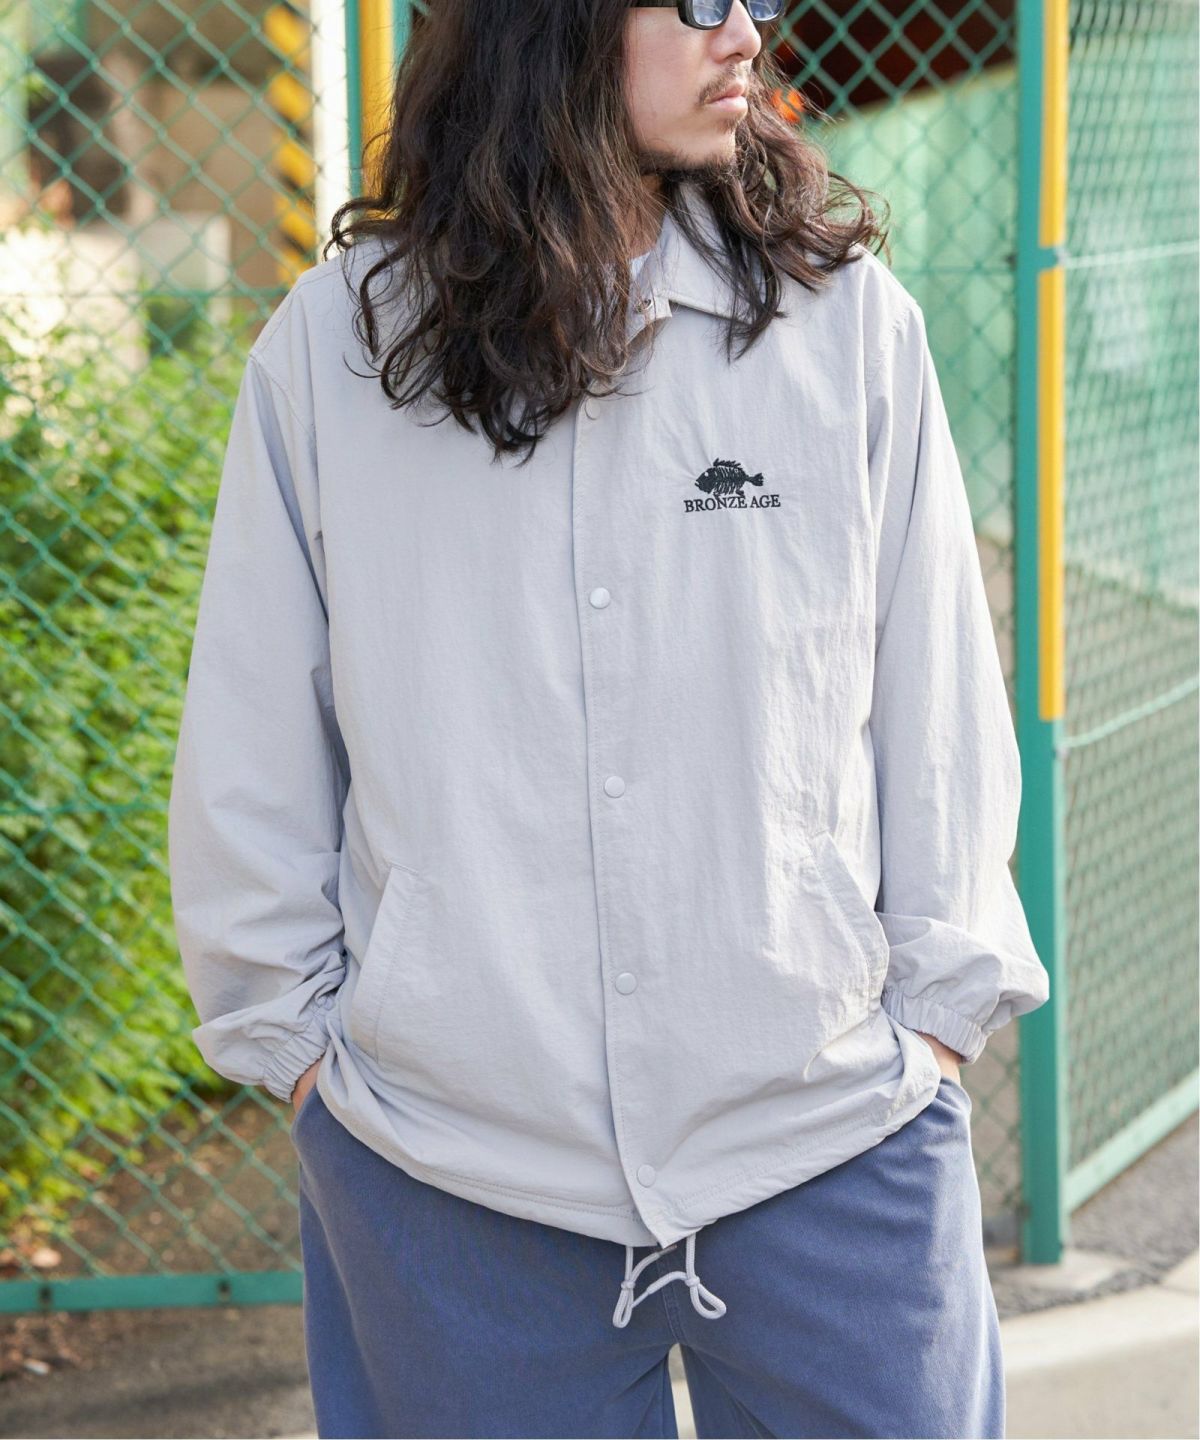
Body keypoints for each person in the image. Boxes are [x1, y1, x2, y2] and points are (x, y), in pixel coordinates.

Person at [167, 0, 1051, 1435]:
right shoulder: (337, 350)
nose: (744, 32)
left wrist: (933, 1028)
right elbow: (255, 732)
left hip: (829, 1134)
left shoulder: (845, 327)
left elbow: (937, 698)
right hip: (451, 1168)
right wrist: (307, 1060)